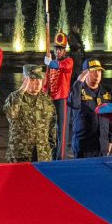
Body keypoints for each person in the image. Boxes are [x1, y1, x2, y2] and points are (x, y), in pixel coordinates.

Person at [3, 64, 56, 162]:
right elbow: (11, 114)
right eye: (32, 80)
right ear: (24, 81)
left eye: (39, 80)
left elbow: (52, 126)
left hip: (42, 154)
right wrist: (21, 90)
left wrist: (48, 147)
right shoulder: (14, 97)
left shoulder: (47, 100)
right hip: (20, 154)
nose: (37, 83)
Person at [68, 59, 112, 158]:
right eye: (93, 71)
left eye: (99, 71)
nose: (97, 75)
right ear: (85, 74)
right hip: (84, 147)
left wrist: (110, 140)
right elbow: (73, 104)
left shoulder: (106, 92)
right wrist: (79, 81)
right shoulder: (78, 90)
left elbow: (110, 118)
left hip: (102, 146)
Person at [45, 31, 74, 160]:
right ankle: (52, 154)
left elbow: (61, 66)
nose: (58, 52)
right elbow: (47, 79)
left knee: (62, 129)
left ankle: (61, 156)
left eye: (60, 49)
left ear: (65, 50)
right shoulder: (51, 62)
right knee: (51, 128)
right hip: (51, 98)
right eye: (56, 49)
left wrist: (49, 63)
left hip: (62, 98)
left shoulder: (68, 61)